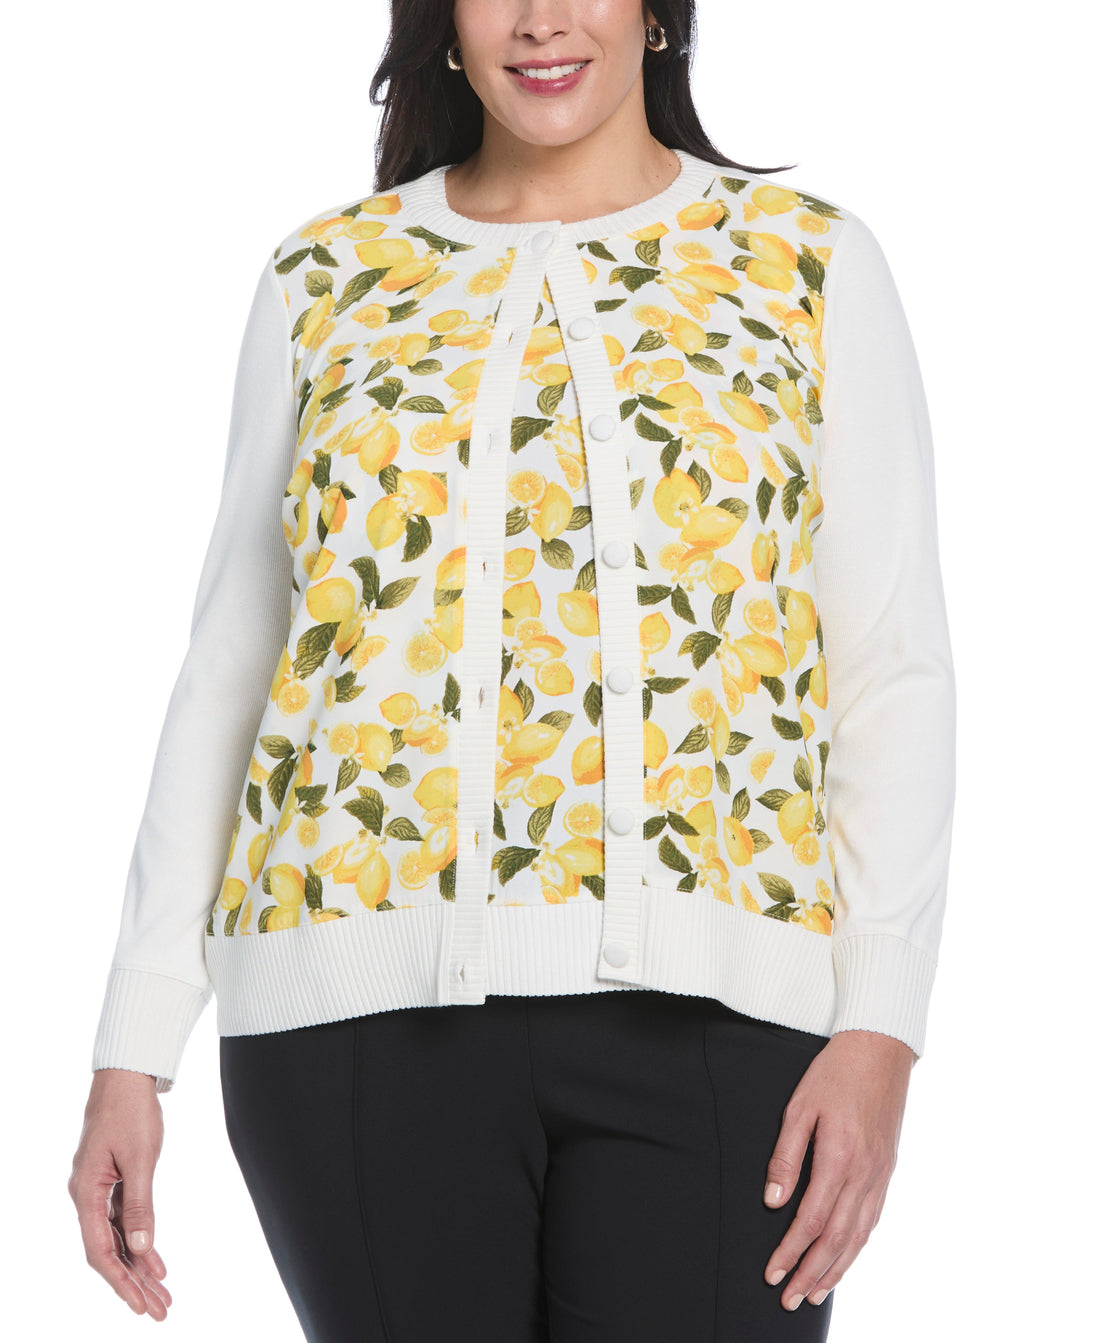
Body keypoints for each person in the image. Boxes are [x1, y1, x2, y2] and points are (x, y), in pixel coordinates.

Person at [68, 2, 957, 1340]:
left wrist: (881, 1027)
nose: (541, 19)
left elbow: (892, 668)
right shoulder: (327, 277)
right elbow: (234, 669)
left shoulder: (804, 262)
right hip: (349, 1014)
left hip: (724, 1024)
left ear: (657, 12)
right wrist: (133, 1047)